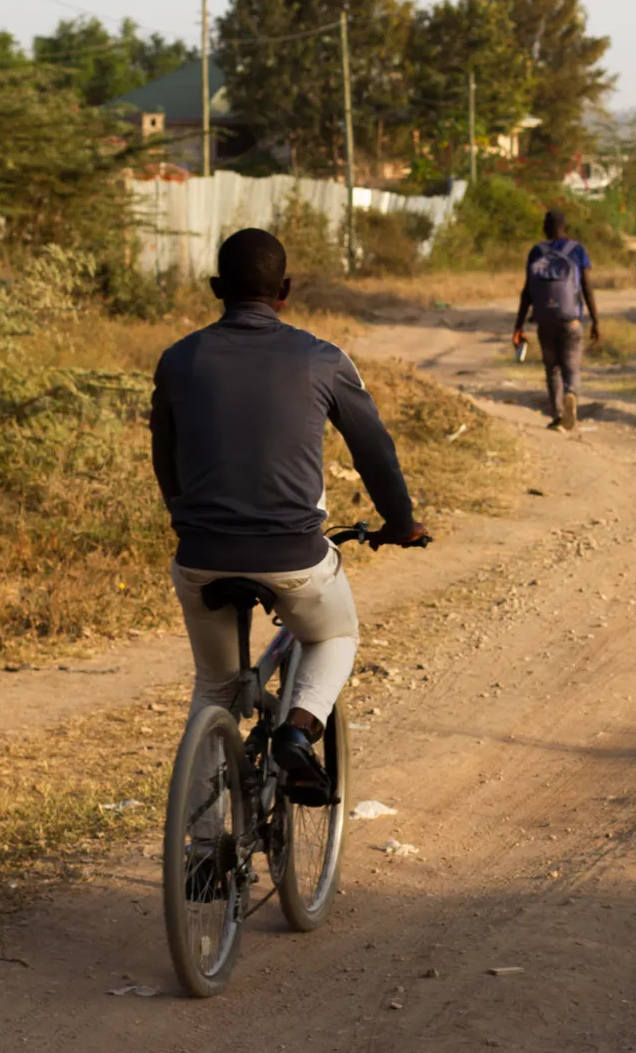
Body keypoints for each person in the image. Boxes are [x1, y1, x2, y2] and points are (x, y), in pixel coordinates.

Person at [149, 227, 427, 801]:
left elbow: (165, 457)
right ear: (287, 290)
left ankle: (201, 853)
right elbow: (373, 450)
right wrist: (399, 524)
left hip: (200, 556)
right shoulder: (322, 359)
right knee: (336, 636)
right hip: (293, 556)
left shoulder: (178, 360)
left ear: (216, 287)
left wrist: (187, 521)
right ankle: (299, 734)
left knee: (215, 690)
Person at [513, 209, 600, 431]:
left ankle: (557, 415)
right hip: (571, 320)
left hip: (545, 321)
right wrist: (595, 320)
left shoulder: (536, 252)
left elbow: (527, 292)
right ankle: (571, 394)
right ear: (565, 227)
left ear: (545, 228)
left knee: (552, 368)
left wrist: (519, 325)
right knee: (571, 366)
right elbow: (587, 288)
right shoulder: (578, 250)